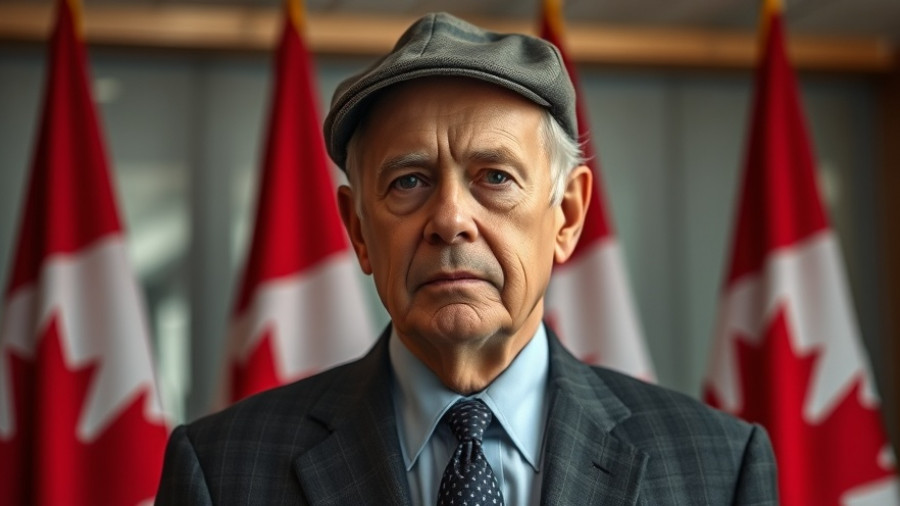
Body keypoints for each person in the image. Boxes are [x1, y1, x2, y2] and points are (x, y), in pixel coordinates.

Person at [156, 12, 777, 505]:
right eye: (408, 181)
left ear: (566, 215)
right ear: (359, 231)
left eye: (495, 177)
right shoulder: (222, 470)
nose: (451, 220)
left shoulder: (718, 470)